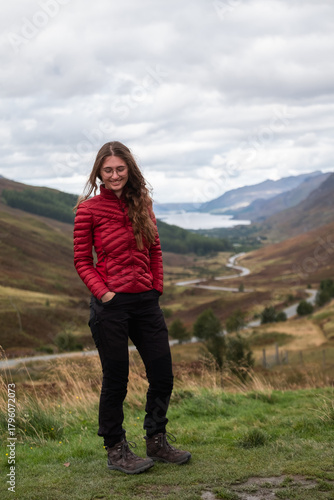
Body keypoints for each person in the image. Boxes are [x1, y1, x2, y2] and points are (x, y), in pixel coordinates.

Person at [73, 141, 191, 474]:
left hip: (146, 301)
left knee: (162, 374)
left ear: (130, 169)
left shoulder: (143, 203)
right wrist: (104, 293)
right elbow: (82, 260)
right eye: (107, 170)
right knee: (116, 380)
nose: (114, 175)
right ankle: (116, 450)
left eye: (120, 169)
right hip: (111, 306)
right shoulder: (89, 210)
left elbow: (155, 250)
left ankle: (157, 440)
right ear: (99, 172)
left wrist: (157, 286)